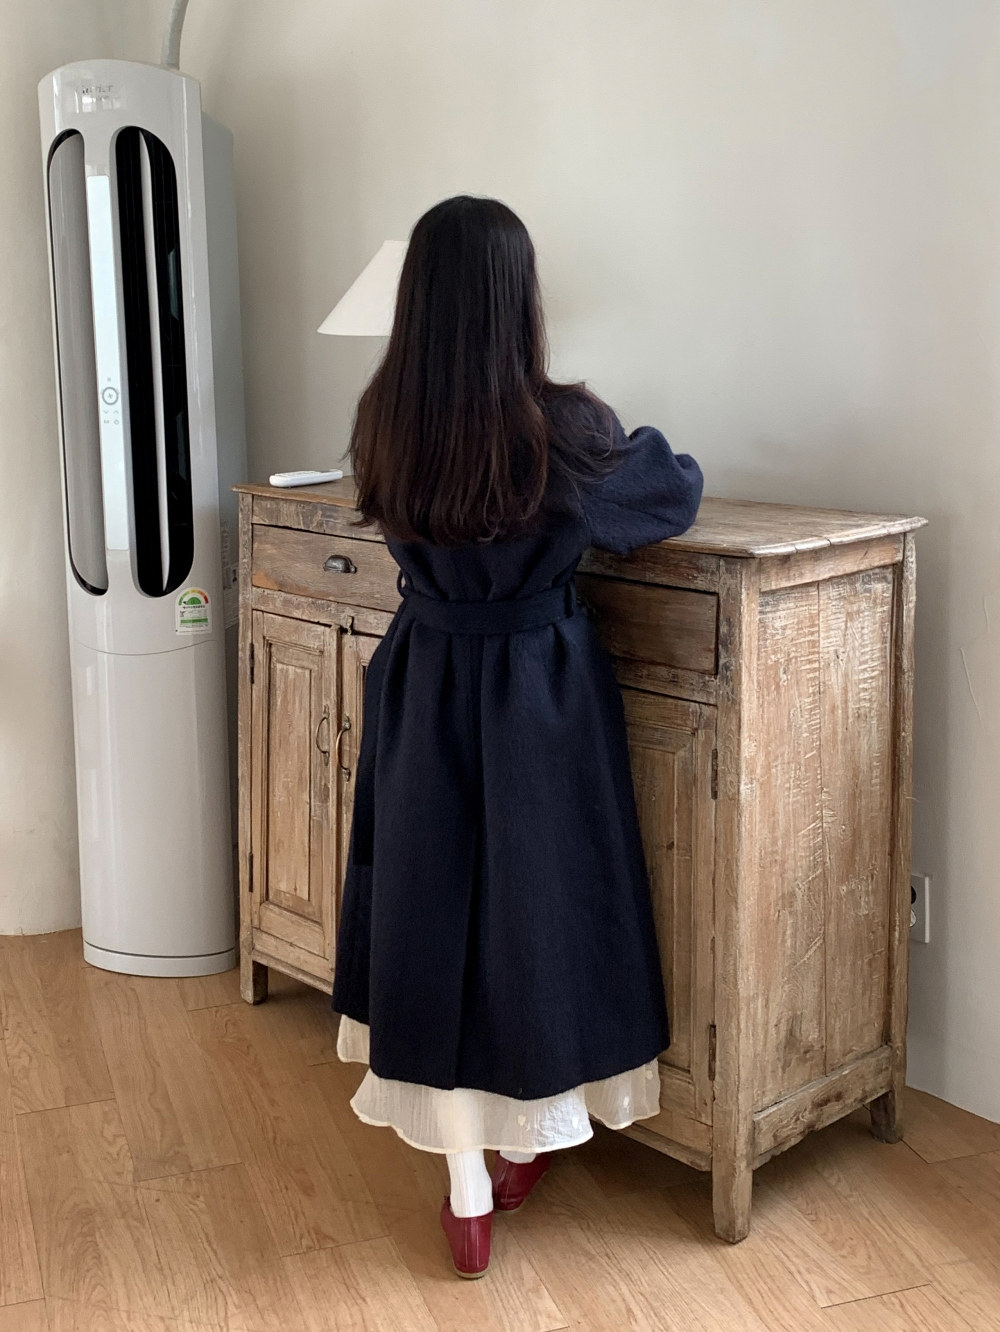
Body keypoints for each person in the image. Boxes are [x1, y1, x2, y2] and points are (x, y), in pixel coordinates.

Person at [332, 194, 703, 1278]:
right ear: (519, 296)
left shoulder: (382, 417)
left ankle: (466, 1189)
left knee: (426, 907)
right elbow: (670, 493)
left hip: (424, 676)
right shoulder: (563, 426)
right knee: (534, 916)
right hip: (535, 693)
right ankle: (522, 1144)